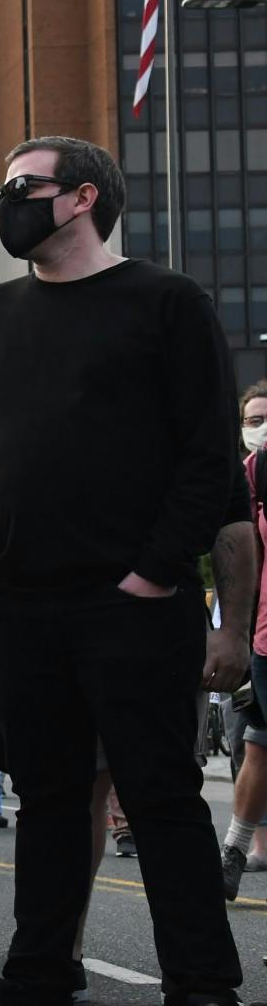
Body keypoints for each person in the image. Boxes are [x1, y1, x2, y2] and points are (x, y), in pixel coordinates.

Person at [0, 135, 256, 1006]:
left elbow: (208, 459)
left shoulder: (167, 303)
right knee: (52, 802)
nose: (6, 202)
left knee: (161, 798)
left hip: (134, 604)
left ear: (83, 198)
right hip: (22, 603)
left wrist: (154, 573)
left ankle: (207, 1003)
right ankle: (36, 994)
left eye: (23, 187)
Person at [222, 381, 267, 898]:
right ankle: (235, 850)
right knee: (255, 743)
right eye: (253, 421)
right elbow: (240, 551)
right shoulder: (252, 472)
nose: (262, 430)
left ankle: (236, 849)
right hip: (264, 638)